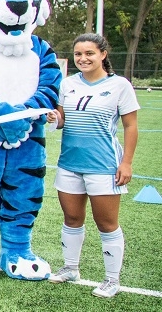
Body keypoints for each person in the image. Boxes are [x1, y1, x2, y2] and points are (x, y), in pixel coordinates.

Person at [46, 33, 139, 298]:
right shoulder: (68, 84)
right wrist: (55, 117)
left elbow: (131, 126)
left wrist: (127, 163)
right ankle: (71, 268)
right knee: (72, 219)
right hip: (69, 164)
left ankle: (112, 279)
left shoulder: (120, 85)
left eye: (89, 53)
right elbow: (62, 120)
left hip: (104, 166)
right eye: (78, 54)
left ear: (103, 54)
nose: (83, 59)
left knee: (106, 223)